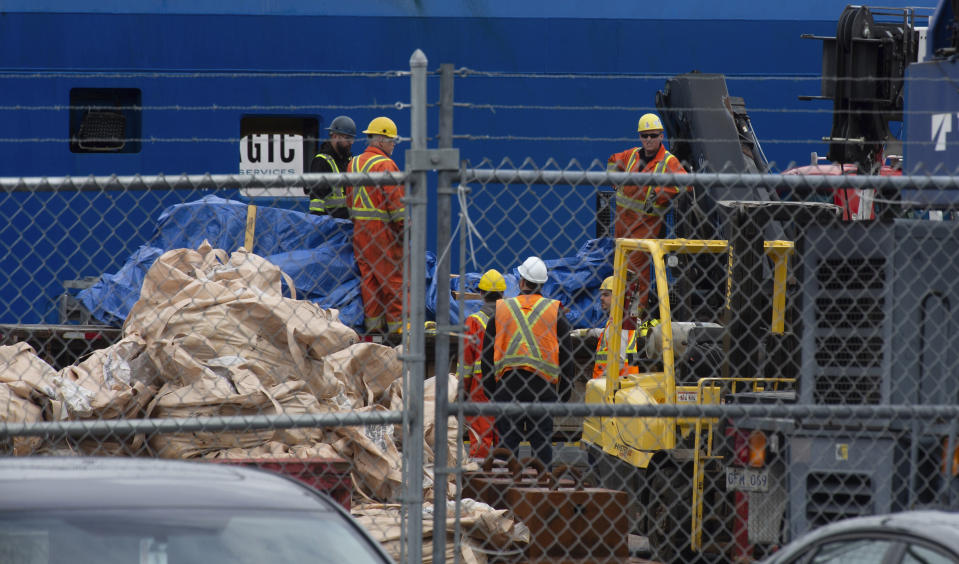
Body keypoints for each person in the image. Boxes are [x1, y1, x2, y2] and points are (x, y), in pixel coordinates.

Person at [481, 256, 573, 467]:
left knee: (506, 448)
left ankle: (506, 494)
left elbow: (486, 355)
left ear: (521, 282)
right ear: (542, 284)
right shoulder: (555, 311)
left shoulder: (501, 309)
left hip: (508, 388)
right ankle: (543, 490)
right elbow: (567, 356)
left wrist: (491, 390)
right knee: (542, 448)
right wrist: (563, 393)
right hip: (543, 390)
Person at [607, 113, 688, 315]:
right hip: (621, 232)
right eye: (644, 136)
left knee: (636, 279)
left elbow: (686, 185)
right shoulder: (632, 155)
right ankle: (620, 319)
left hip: (643, 233)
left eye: (653, 135)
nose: (648, 140)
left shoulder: (668, 162)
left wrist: (661, 195)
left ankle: (634, 320)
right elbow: (612, 161)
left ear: (661, 136)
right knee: (619, 276)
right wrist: (614, 180)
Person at [347, 116, 404, 334]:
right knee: (394, 283)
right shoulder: (385, 165)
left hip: (361, 233)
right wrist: (405, 232)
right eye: (391, 140)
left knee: (369, 283)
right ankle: (398, 336)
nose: (393, 145)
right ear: (380, 140)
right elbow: (397, 206)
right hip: (385, 234)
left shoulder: (354, 163)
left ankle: (374, 335)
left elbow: (350, 199)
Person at [457, 269, 505, 459]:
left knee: (480, 438)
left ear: (481, 294)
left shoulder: (474, 321)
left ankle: (480, 478)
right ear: (503, 294)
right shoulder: (509, 319)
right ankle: (506, 478)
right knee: (504, 436)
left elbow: (466, 362)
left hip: (480, 387)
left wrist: (463, 390)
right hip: (505, 384)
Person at [591, 275, 660, 379]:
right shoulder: (619, 320)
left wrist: (603, 381)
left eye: (606, 295)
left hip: (615, 383)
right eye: (601, 295)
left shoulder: (621, 324)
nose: (601, 298)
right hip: (623, 381)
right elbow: (606, 333)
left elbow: (620, 360)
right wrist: (584, 332)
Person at [306, 115, 356, 218]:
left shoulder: (350, 160)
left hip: (349, 225)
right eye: (347, 138)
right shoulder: (321, 161)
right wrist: (320, 226)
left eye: (352, 138)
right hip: (331, 227)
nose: (351, 142)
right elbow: (316, 202)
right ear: (334, 136)